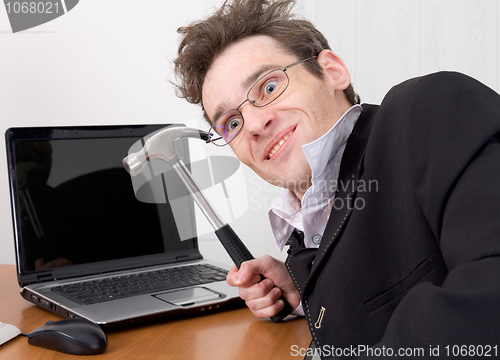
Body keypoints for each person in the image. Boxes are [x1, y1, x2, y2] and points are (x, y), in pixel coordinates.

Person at [173, 0, 500, 358]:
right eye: (232, 122)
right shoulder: (303, 230)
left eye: (267, 87)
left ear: (331, 71)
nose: (252, 125)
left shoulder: (428, 109)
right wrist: (304, 293)